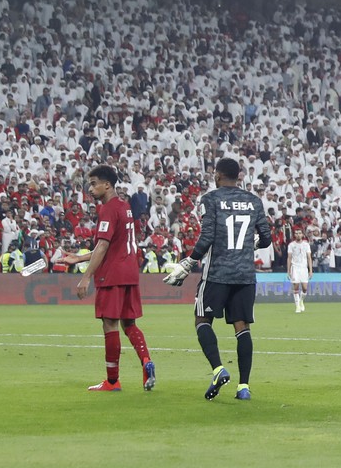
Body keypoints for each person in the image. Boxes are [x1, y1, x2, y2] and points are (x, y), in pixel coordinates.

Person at [165, 158, 272, 401]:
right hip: (245, 275)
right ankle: (243, 386)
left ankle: (217, 369)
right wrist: (248, 245)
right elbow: (266, 239)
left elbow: (207, 237)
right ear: (239, 177)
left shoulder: (211, 199)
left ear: (217, 175)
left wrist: (189, 262)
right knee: (242, 326)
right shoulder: (254, 201)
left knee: (202, 319)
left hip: (217, 273)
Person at [57, 165, 156, 392]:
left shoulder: (108, 209)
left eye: (93, 184)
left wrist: (85, 277)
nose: (90, 189)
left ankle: (112, 381)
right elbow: (112, 245)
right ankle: (146, 361)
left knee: (109, 324)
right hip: (130, 272)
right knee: (129, 323)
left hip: (112, 275)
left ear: (107, 185)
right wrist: (79, 258)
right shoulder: (125, 207)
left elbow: (103, 245)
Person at [287, 226, 313, 313]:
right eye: (296, 233)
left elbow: (309, 257)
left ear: (302, 234)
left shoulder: (306, 245)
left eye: (299, 233)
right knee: (296, 287)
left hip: (303, 268)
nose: (298, 235)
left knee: (305, 288)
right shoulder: (291, 245)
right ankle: (297, 306)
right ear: (294, 235)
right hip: (295, 267)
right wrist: (288, 271)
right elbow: (289, 258)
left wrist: (310, 270)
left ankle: (301, 300)